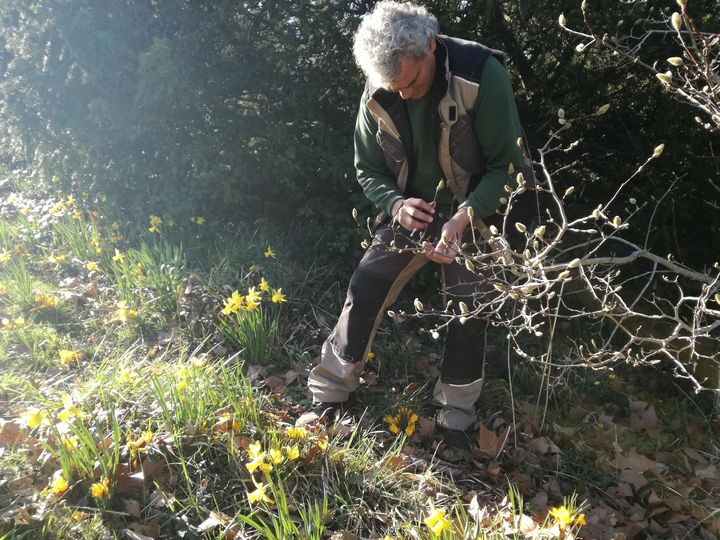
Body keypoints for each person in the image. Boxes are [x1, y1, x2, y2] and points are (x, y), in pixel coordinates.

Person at [297, 1, 532, 449]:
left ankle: (457, 418)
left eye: (411, 82)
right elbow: (367, 168)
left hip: (475, 208)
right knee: (366, 285)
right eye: (392, 86)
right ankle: (329, 391)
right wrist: (396, 202)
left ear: (429, 45)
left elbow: (509, 167)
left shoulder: (480, 74)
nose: (402, 94)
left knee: (469, 309)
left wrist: (465, 217)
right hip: (412, 209)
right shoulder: (379, 85)